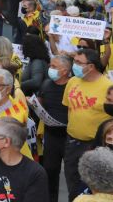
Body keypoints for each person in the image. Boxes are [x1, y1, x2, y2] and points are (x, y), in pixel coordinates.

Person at [63, 48, 113, 200]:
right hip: (72, 142)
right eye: (74, 61)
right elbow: (68, 107)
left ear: (91, 66)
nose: (74, 65)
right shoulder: (72, 82)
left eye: (79, 62)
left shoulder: (107, 86)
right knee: (72, 183)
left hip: (96, 145)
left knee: (93, 186)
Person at [41, 55, 72, 202]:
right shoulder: (46, 84)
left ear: (65, 71)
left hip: (69, 137)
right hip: (51, 136)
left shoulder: (73, 87)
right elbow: (42, 103)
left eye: (54, 67)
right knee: (50, 171)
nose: (50, 69)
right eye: (50, 66)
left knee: (72, 175)